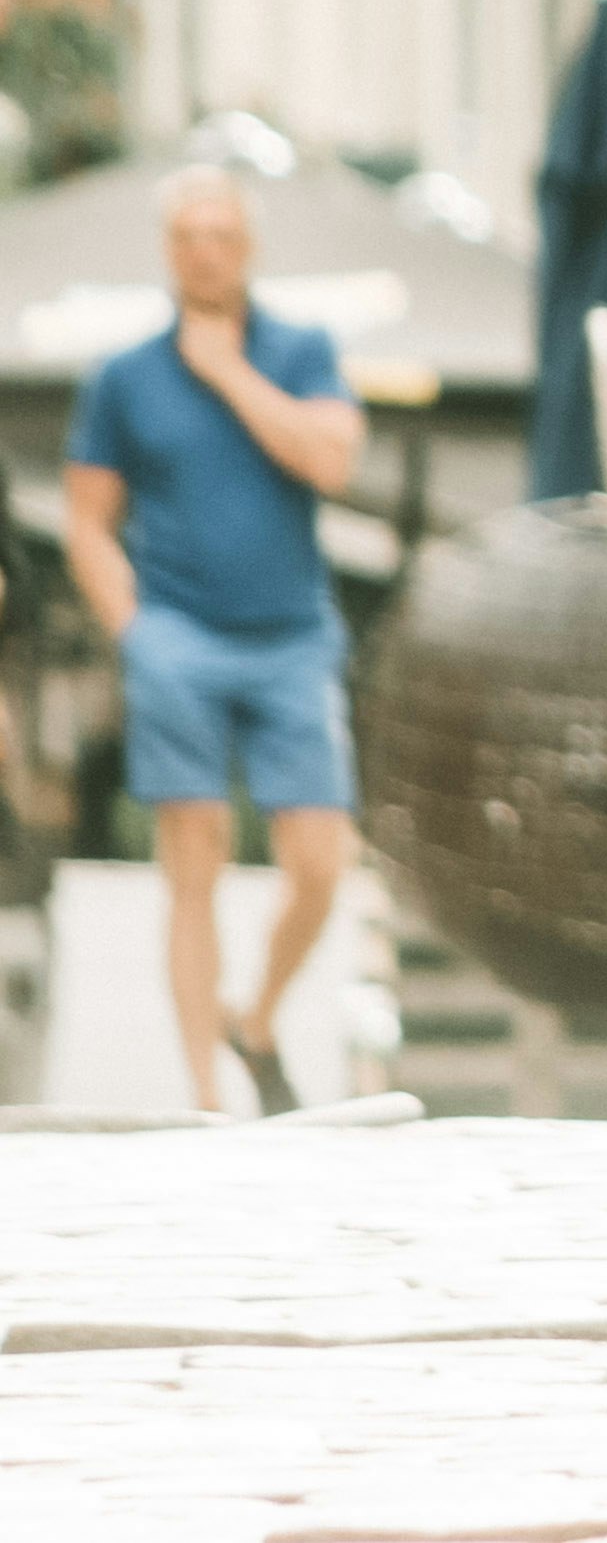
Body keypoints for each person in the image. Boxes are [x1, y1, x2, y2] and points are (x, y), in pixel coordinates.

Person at [59, 165, 367, 1118]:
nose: (204, 250)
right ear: (167, 248)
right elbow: (86, 522)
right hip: (179, 636)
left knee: (321, 857)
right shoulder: (122, 376)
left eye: (221, 234)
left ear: (248, 246)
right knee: (192, 856)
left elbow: (333, 461)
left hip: (290, 637)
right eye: (187, 234)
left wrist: (227, 370)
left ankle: (259, 1016)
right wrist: (134, 630)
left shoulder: (300, 347)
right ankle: (205, 1097)